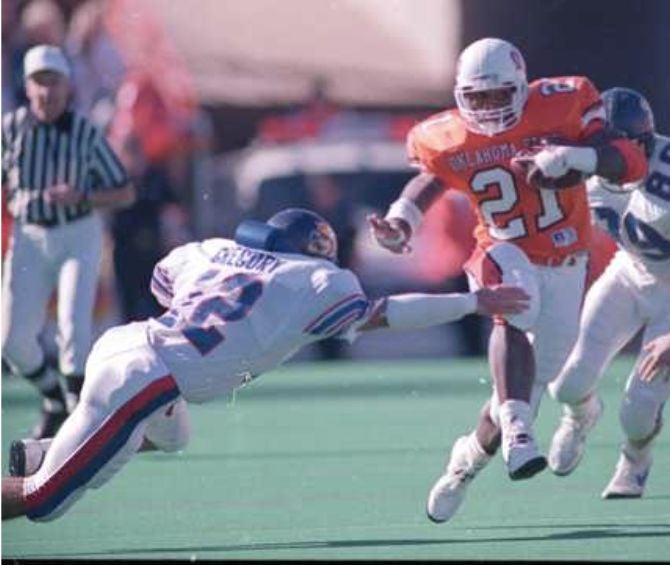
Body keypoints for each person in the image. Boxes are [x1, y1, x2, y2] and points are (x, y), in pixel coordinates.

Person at [1, 208, 529, 522]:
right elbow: (384, 313)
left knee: (173, 435)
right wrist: (472, 302)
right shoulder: (316, 281)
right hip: (146, 377)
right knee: (45, 500)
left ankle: (51, 448)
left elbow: (161, 284)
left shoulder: (212, 249)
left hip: (130, 346)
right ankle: (54, 463)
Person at [367, 37, 647, 523]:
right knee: (513, 302)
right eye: (476, 98)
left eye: (498, 95)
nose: (488, 108)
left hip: (564, 260)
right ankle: (520, 431)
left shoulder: (563, 103)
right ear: (459, 94)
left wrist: (572, 158)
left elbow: (627, 160)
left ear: (521, 86)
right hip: (500, 247)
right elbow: (433, 177)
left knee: (534, 379)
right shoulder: (446, 136)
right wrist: (401, 220)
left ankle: (465, 465)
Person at [545, 87, 670, 498]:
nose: (611, 159)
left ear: (642, 143)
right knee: (565, 383)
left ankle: (636, 458)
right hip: (629, 272)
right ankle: (580, 416)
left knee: (637, 410)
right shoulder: (581, 168)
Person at [1, 44, 136, 440]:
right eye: (40, 81)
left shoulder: (84, 131)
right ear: (27, 87)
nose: (47, 91)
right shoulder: (10, 129)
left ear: (67, 86)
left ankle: (79, 424)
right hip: (28, 235)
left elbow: (124, 191)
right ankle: (54, 400)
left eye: (54, 81)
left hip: (77, 233)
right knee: (12, 341)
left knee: (74, 327)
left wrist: (83, 196)